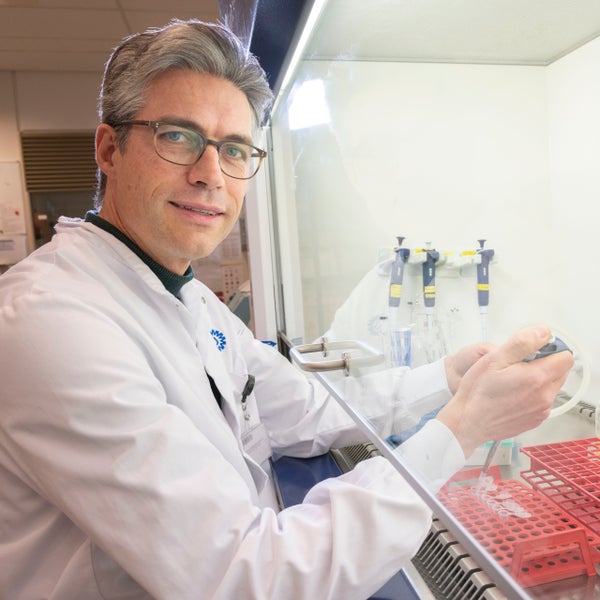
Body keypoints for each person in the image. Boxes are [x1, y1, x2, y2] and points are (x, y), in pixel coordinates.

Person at [0, 19, 572, 600]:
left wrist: (449, 379)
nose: (209, 175)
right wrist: (465, 428)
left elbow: (304, 411)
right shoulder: (51, 323)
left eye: (235, 149)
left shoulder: (190, 300)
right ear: (108, 150)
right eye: (177, 137)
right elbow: (246, 575)